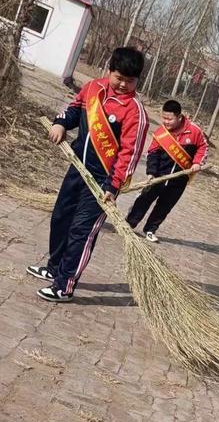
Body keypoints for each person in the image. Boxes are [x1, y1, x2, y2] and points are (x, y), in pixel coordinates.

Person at [26, 47, 149, 302]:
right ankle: (54, 267)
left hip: (101, 182)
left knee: (81, 231)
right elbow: (73, 109)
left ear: (138, 81)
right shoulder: (93, 88)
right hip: (76, 167)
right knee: (61, 217)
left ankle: (65, 285)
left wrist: (113, 186)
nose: (123, 84)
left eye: (130, 80)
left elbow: (130, 154)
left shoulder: (135, 111)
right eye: (119, 77)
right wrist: (61, 123)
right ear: (109, 70)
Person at [125, 100, 208, 242]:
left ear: (179, 117)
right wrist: (151, 172)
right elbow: (152, 153)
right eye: (164, 118)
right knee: (144, 199)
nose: (166, 122)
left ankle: (150, 230)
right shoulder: (161, 133)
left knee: (165, 206)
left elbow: (203, 148)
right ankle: (130, 223)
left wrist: (196, 163)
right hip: (158, 175)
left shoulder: (194, 131)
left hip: (179, 180)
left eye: (169, 119)